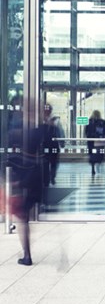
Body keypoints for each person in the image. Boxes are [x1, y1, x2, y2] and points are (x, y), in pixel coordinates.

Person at [7, 100, 43, 266]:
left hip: (21, 178)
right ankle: (27, 254)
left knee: (23, 218)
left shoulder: (15, 132)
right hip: (34, 176)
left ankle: (27, 255)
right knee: (24, 216)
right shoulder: (38, 131)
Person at [41, 104, 65, 186]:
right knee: (46, 162)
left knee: (53, 162)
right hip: (45, 145)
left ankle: (51, 177)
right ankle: (48, 178)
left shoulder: (55, 120)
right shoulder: (40, 119)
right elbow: (60, 131)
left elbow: (60, 131)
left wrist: (62, 142)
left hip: (51, 144)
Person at [85, 110, 105, 175]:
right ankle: (99, 163)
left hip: (91, 141)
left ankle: (93, 168)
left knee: (92, 154)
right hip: (100, 141)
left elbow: (86, 131)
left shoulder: (89, 121)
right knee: (100, 152)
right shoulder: (102, 121)